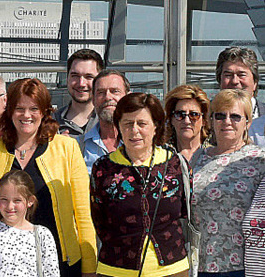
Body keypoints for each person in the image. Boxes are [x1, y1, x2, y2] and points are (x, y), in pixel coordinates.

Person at [0, 78, 97, 276]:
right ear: (9, 111)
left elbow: (83, 214)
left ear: (44, 111)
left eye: (34, 108)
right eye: (19, 108)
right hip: (6, 267)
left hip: (61, 263)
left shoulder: (66, 148)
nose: (26, 115)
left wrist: (90, 268)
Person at [91, 92, 190, 277]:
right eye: (127, 124)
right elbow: (98, 219)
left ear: (156, 126)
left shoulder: (176, 164)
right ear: (119, 127)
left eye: (142, 123)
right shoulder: (103, 168)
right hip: (115, 269)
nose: (134, 130)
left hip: (172, 269)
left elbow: (185, 211)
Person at [191, 89, 265, 276]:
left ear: (248, 122)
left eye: (235, 116)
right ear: (211, 120)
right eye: (220, 116)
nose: (227, 122)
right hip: (201, 266)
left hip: (244, 267)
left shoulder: (259, 160)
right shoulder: (198, 158)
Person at [0, 170, 60, 276]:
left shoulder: (42, 235)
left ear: (30, 201)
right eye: (4, 199)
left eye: (17, 200)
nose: (10, 206)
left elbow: (52, 273)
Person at [81, 69, 128, 174]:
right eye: (101, 92)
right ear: (93, 99)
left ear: (128, 96)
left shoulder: (141, 144)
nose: (107, 97)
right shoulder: (79, 146)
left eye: (115, 91)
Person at [53, 49, 104, 139]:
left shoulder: (111, 122)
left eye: (89, 77)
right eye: (75, 76)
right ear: (67, 78)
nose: (81, 83)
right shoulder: (50, 123)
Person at [164, 84, 210, 162]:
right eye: (179, 114)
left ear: (204, 121)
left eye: (194, 115)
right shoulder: (161, 157)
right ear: (171, 119)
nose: (186, 121)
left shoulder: (213, 155)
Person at [216, 47, 263, 119]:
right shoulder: (203, 115)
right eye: (228, 75)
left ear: (255, 82)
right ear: (219, 80)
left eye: (241, 75)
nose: (235, 81)